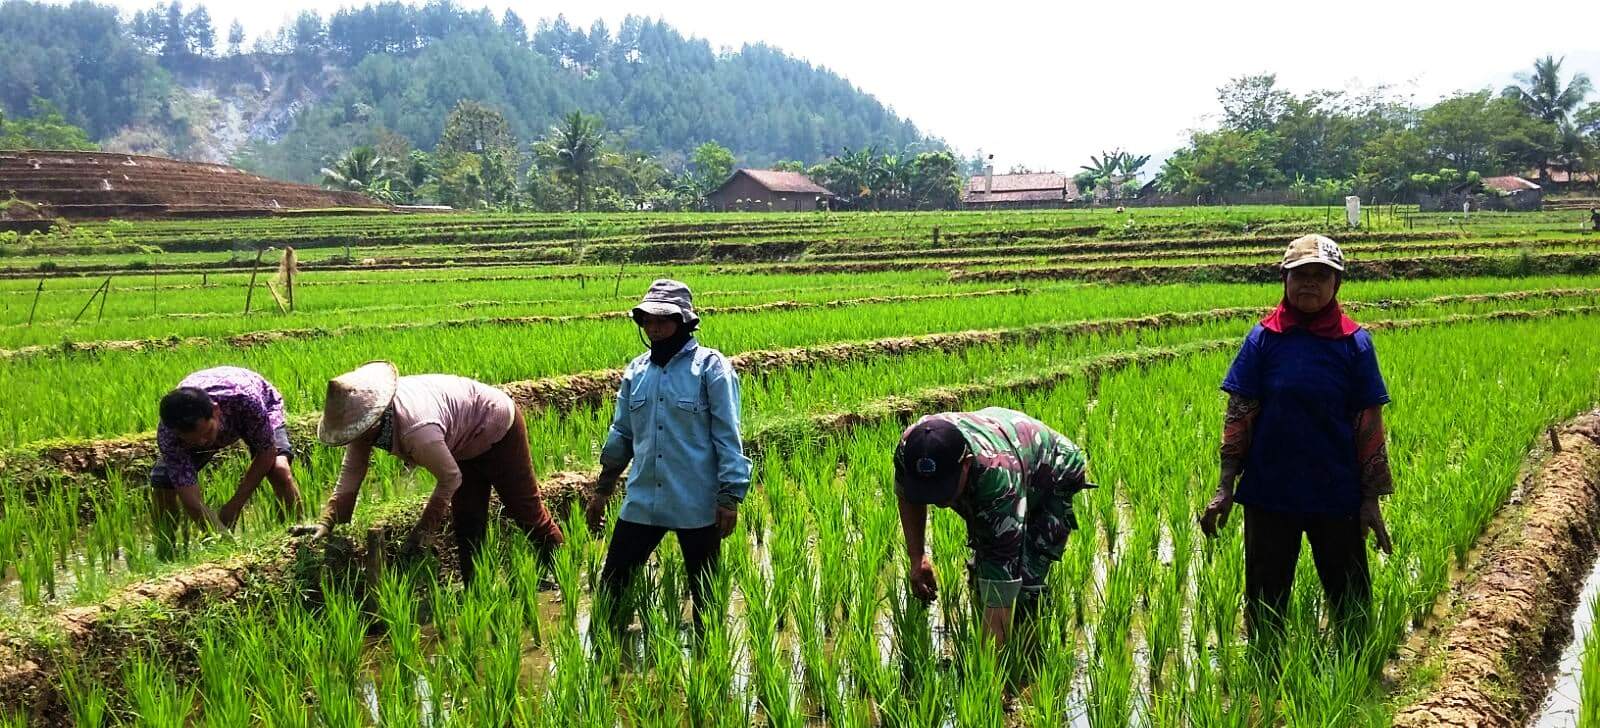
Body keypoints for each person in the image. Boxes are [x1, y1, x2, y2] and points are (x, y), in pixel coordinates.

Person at [1199, 234, 1395, 645]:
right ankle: (1263, 692)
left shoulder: (1354, 343)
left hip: (1337, 495)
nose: (1309, 284)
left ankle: (1359, 685)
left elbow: (1368, 423)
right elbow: (1240, 413)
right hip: (1270, 494)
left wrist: (1371, 498)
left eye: (1320, 276)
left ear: (1336, 285)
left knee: (1352, 608)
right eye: (1300, 275)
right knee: (1266, 609)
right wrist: (1225, 485)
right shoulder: (1264, 340)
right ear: (1284, 280)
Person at [293, 361, 564, 583]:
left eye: (358, 430)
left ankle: (560, 568)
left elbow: (450, 478)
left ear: (374, 420)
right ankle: (477, 588)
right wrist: (327, 521)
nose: (355, 436)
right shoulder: (368, 428)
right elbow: (351, 472)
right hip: (460, 442)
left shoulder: (418, 431)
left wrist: (424, 529)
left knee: (526, 511)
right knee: (468, 521)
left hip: (497, 426)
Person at [584, 279, 752, 631]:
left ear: (685, 321)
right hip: (644, 499)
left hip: (697, 504)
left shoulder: (710, 368)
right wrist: (602, 490)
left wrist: (730, 496)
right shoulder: (637, 370)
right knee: (611, 590)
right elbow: (622, 434)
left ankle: (710, 671)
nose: (655, 328)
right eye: (648, 320)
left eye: (663, 319)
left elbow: (727, 435)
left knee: (706, 600)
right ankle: (605, 660)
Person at [894, 407, 1091, 647]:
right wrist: (918, 557)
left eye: (942, 489)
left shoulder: (999, 483)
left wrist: (987, 674)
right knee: (986, 559)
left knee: (1023, 584)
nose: (936, 500)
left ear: (966, 464)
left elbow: (1001, 576)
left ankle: (1028, 645)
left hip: (1053, 469)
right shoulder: (911, 449)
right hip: (1002, 448)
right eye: (927, 490)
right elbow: (907, 495)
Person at [151, 366, 301, 559]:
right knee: (163, 483)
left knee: (279, 469)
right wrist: (223, 540)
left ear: (215, 411)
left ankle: (296, 538)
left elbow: (266, 453)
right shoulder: (169, 435)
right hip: (216, 415)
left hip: (259, 404)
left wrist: (235, 505)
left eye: (206, 433)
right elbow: (191, 499)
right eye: (193, 440)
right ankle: (166, 551)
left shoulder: (246, 401)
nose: (202, 443)